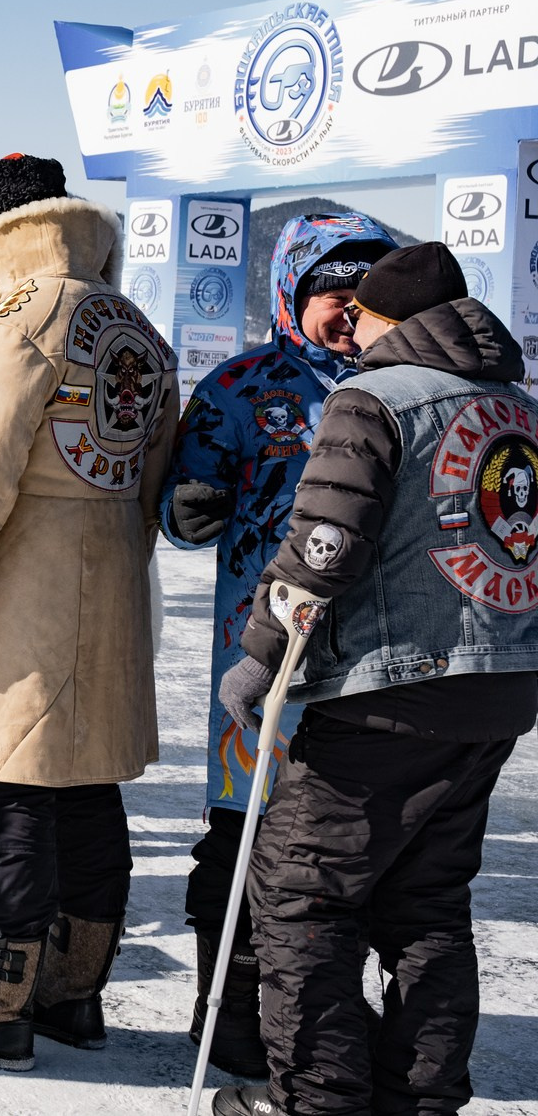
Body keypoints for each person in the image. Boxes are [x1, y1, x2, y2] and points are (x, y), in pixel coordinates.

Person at [213, 242, 538, 1116]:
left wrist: (260, 653)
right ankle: (419, 1101)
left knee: (300, 896)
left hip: (384, 692)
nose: (349, 331)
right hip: (497, 686)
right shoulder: (518, 405)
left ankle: (316, 1101)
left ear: (386, 318)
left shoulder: (376, 398)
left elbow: (324, 543)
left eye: (359, 316)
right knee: (427, 903)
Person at [0, 154, 176, 1072]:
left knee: (12, 798)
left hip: (21, 598)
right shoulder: (134, 325)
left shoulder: (19, 324)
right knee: (91, 794)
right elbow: (149, 485)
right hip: (112, 593)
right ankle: (73, 993)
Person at [157, 212, 396, 1078]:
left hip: (371, 661)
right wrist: (189, 500)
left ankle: (319, 1015)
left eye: (363, 295)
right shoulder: (243, 384)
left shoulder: (404, 385)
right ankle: (226, 1010)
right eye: (333, 293)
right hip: (260, 664)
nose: (349, 311)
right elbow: (184, 505)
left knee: (346, 851)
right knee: (245, 838)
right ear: (294, 293)